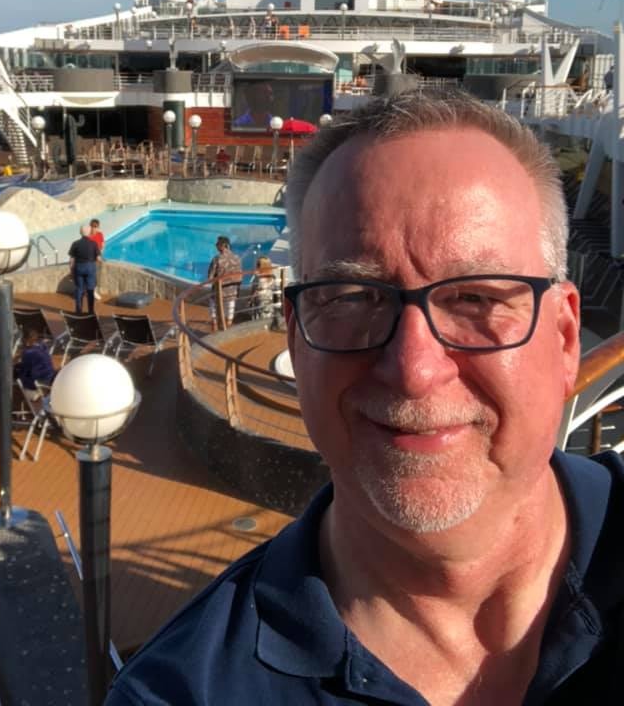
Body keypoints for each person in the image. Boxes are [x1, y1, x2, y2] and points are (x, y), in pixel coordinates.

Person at [105, 88, 624, 705]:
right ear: (296, 343)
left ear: (565, 338)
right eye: (351, 298)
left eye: (477, 298)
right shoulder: (182, 693)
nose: (413, 369)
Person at [207, 235, 242, 331]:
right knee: (229, 317)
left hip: (219, 293)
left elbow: (210, 277)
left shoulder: (217, 259)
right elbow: (240, 276)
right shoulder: (237, 258)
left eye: (217, 244)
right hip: (232, 292)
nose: (216, 245)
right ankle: (227, 334)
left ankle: (214, 333)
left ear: (223, 245)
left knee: (214, 314)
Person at [68, 223, 100, 314]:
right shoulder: (93, 244)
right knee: (90, 289)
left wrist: (71, 271)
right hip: (90, 268)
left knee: (79, 289)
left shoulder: (75, 243)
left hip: (79, 268)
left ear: (80, 232)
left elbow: (71, 260)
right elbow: (98, 258)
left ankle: (78, 311)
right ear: (89, 232)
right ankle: (91, 311)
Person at [14, 328, 56, 396]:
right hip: (51, 378)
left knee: (20, 381)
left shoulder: (28, 353)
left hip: (41, 383)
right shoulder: (42, 346)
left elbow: (25, 371)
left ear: (25, 339)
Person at [250, 255, 275, 321]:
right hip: (269, 299)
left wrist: (249, 300)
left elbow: (256, 291)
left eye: (257, 264)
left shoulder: (258, 278)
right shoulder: (272, 276)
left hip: (260, 301)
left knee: (260, 319)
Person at [90, 218, 105, 301]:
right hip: (91, 259)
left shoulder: (100, 234)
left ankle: (93, 291)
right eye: (92, 226)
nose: (94, 228)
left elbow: (102, 245)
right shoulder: (88, 236)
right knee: (93, 277)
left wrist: (100, 254)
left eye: (96, 226)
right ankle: (93, 292)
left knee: (96, 276)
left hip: (98, 259)